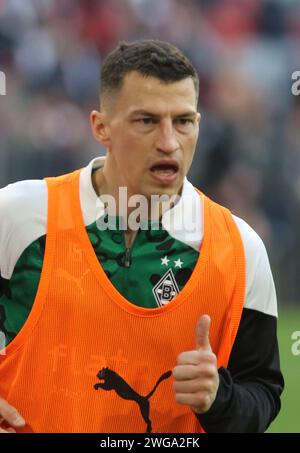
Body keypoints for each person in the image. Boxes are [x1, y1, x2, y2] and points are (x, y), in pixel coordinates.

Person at [0, 39, 284, 433]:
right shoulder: (18, 215)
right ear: (101, 127)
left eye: (183, 121)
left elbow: (264, 395)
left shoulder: (240, 251)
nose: (169, 142)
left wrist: (218, 398)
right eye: (146, 121)